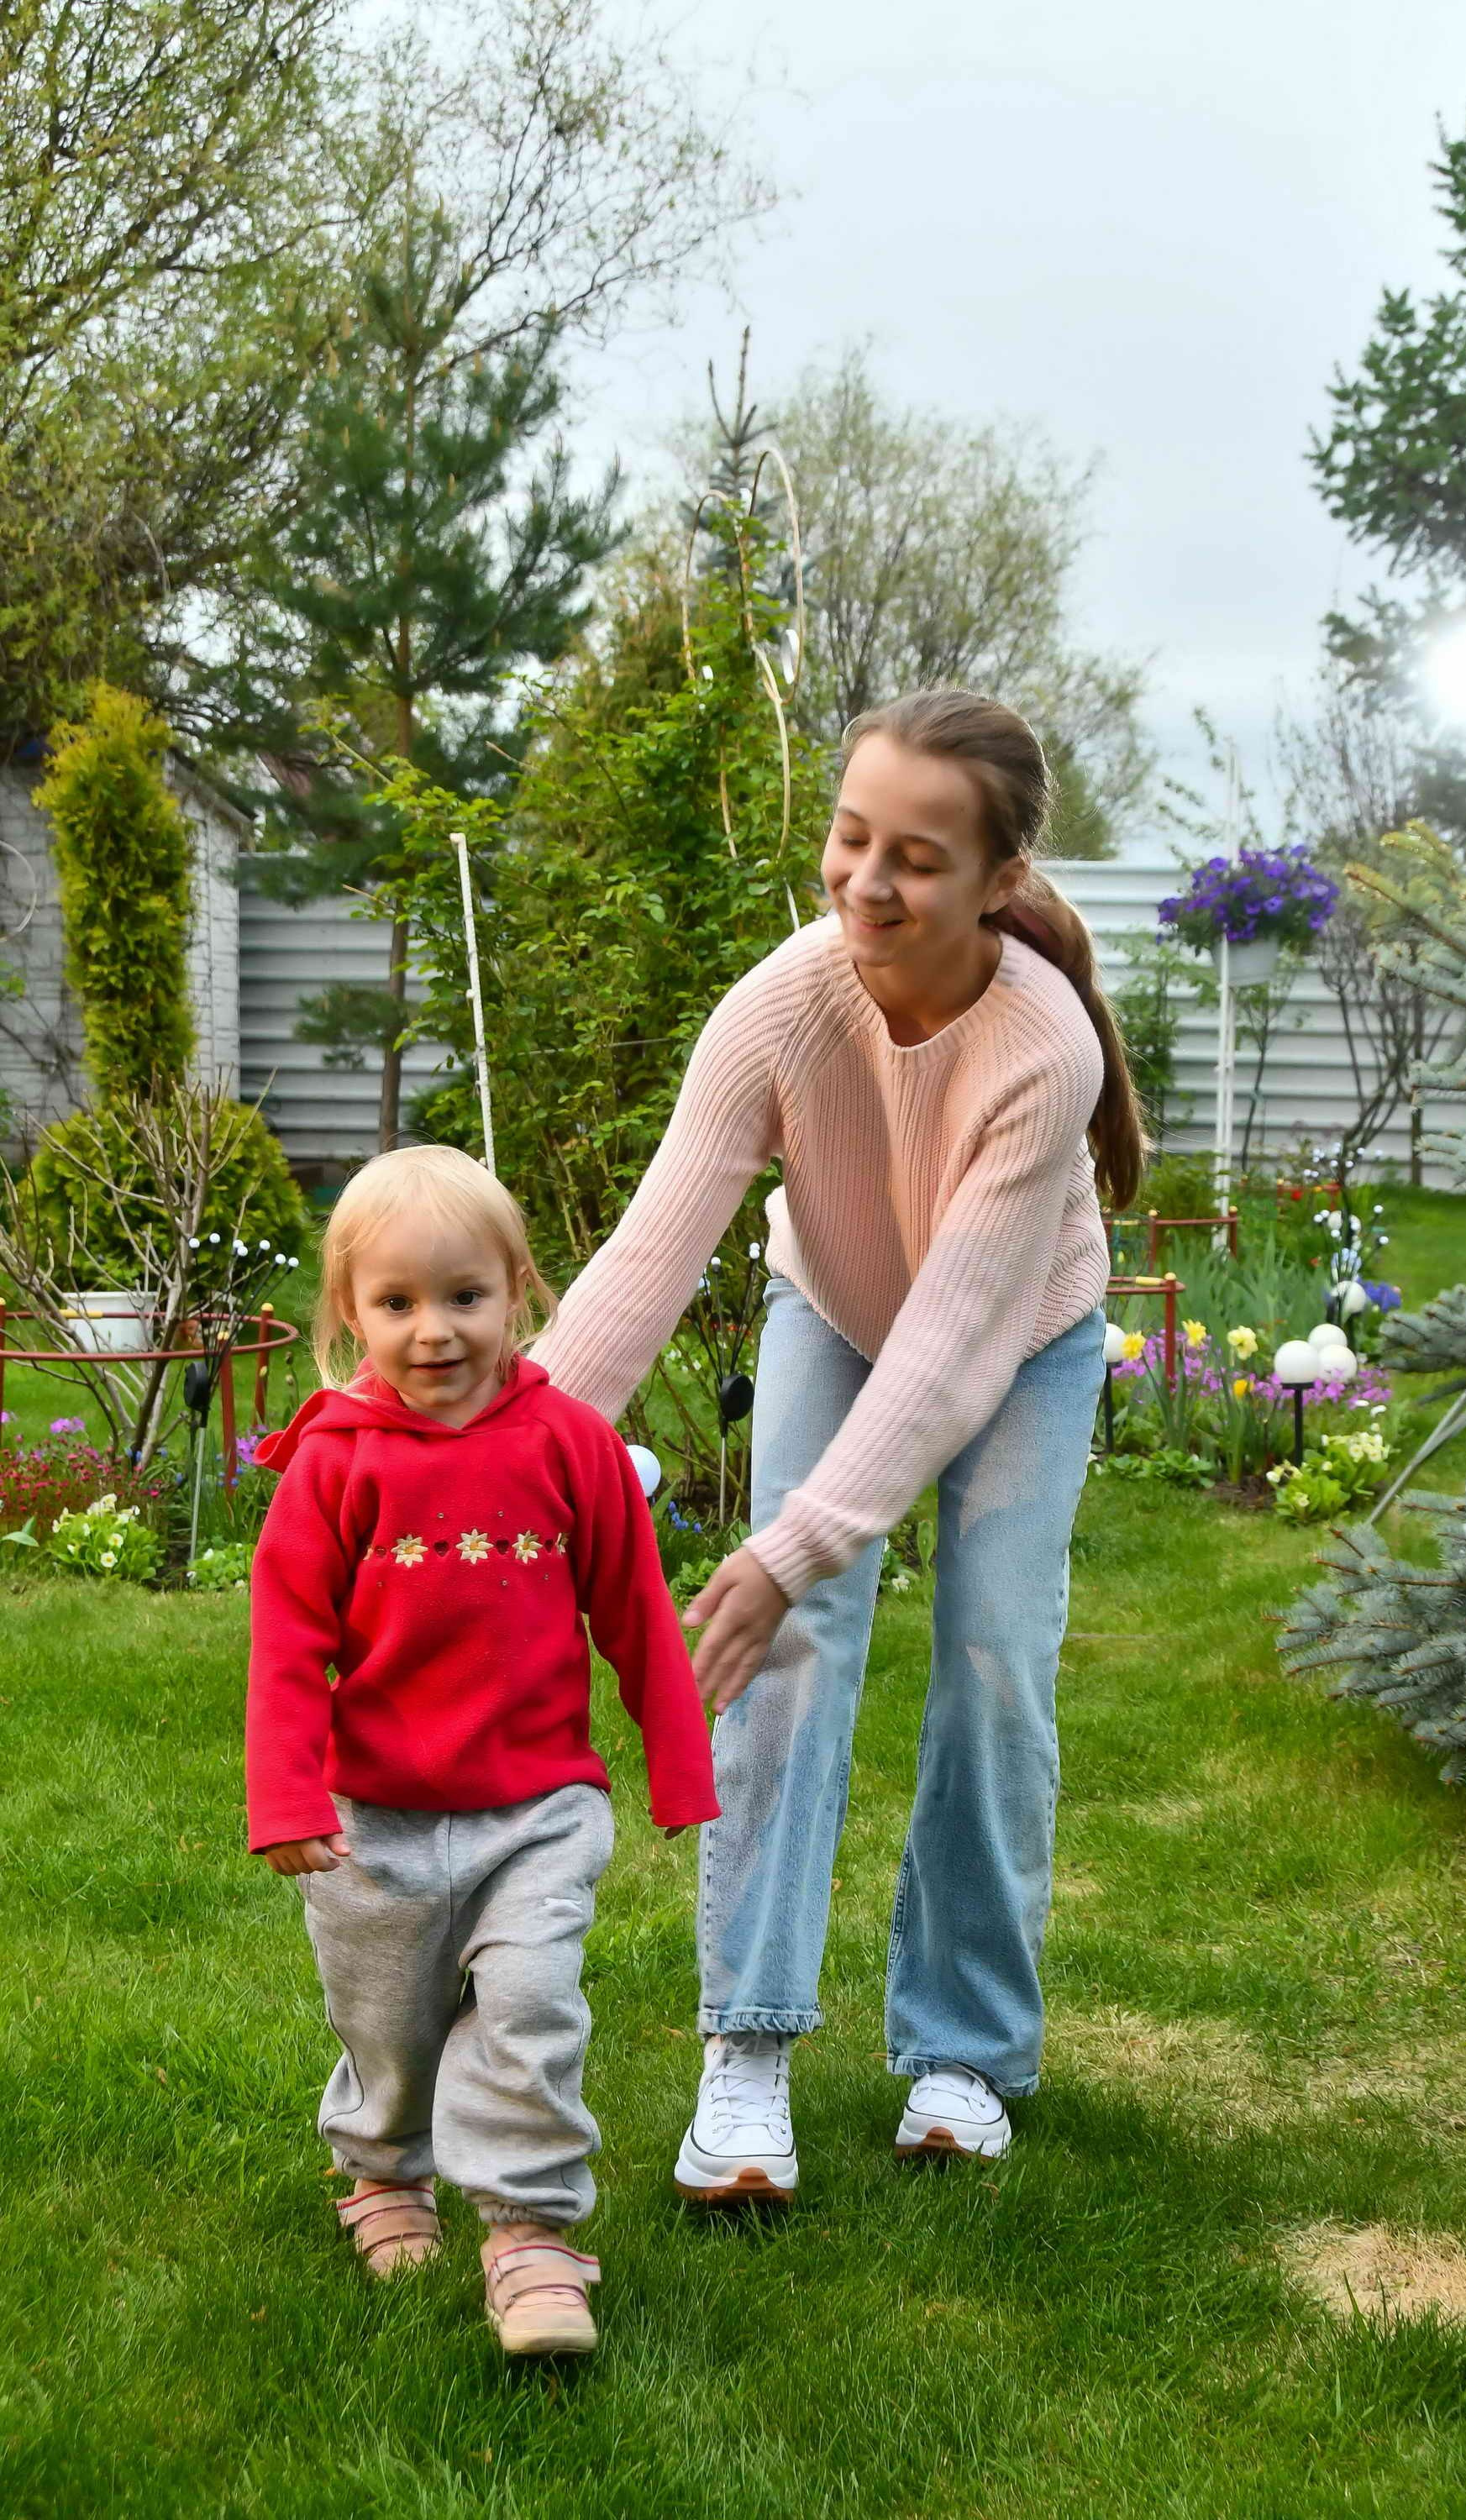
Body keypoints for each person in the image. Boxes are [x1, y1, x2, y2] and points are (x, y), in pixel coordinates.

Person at [530, 688, 1145, 2202]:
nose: (870, 882)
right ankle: (748, 2045)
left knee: (995, 1659)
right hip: (837, 1302)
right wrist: (504, 1460)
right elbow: (648, 1258)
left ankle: (964, 2048)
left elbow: (947, 1359)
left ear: (999, 882)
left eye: (918, 859)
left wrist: (798, 1531)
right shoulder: (783, 1005)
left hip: (1018, 1337)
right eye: (851, 838)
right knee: (792, 1641)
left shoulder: (1040, 1048)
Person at [245, 1145, 717, 2355]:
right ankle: (385, 2171)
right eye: (396, 1303)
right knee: (387, 2023)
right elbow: (291, 1645)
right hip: (375, 1817)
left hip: (537, 1808)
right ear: (349, 1313)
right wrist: (288, 1796)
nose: (434, 1331)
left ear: (519, 1290)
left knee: (530, 2000)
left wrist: (678, 1767)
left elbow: (637, 1616)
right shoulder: (334, 1465)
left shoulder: (572, 1445)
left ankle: (531, 2231)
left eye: (464, 1297)